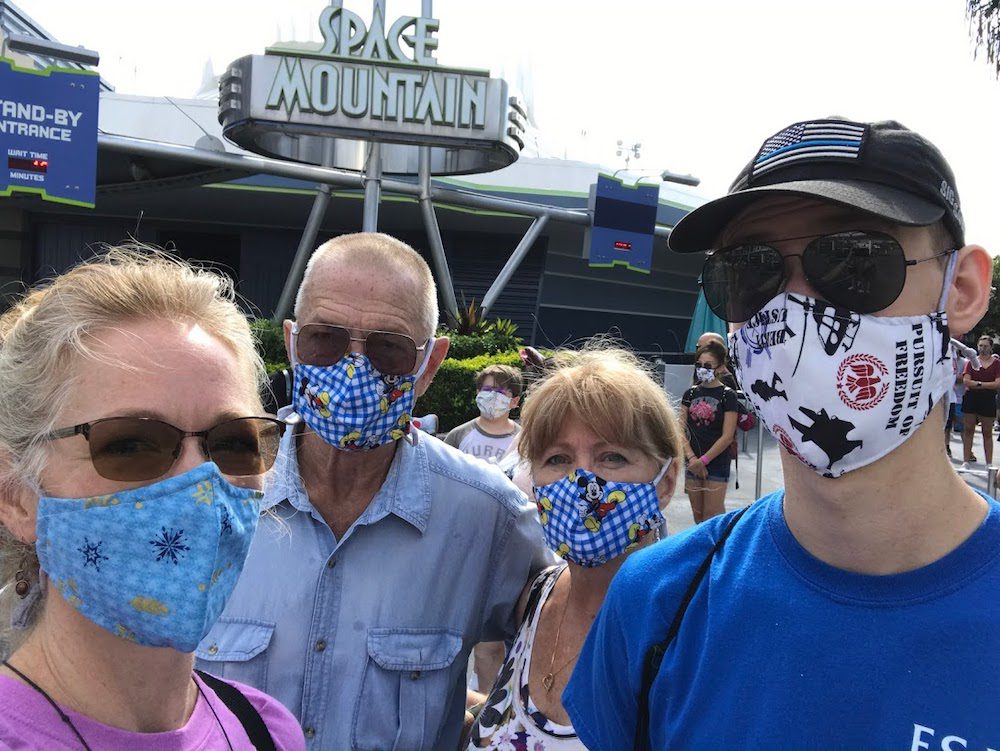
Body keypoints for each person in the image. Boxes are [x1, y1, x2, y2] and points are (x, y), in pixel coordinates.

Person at [564, 118, 999, 748]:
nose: (791, 308)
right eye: (750, 272)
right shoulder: (657, 603)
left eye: (854, 260)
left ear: (961, 289)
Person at [196, 232, 551, 750]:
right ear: (293, 344)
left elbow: (563, 654)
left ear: (430, 363)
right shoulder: (207, 493)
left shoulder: (487, 517)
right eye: (326, 340)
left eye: (389, 348)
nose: (353, 367)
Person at [0, 248, 304, 750]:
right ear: (16, 497)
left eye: (233, 442)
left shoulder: (267, 731)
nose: (200, 482)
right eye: (129, 444)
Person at [466, 345, 682, 750]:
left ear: (665, 483)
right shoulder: (534, 597)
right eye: (558, 458)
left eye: (612, 457)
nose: (582, 480)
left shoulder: (690, 627)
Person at [680, 340, 738, 523]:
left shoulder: (727, 395)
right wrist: (692, 460)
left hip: (716, 462)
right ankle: (704, 553)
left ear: (720, 367)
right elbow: (680, 428)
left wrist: (703, 461)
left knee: (712, 517)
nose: (702, 369)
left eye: (708, 365)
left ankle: (719, 551)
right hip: (692, 461)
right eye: (699, 365)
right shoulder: (690, 393)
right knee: (698, 517)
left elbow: (727, 436)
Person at [445, 364, 523, 465]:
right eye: (487, 389)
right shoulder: (458, 436)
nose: (492, 395)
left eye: (500, 391)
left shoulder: (522, 440)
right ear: (478, 393)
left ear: (514, 401)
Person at [961, 335, 1000, 468]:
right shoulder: (971, 362)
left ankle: (989, 463)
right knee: (968, 429)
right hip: (971, 397)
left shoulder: (996, 363)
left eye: (985, 346)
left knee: (987, 431)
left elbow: (997, 384)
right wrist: (983, 384)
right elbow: (966, 381)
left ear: (991, 347)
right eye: (981, 346)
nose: (983, 349)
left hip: (988, 399)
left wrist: (978, 384)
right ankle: (965, 461)